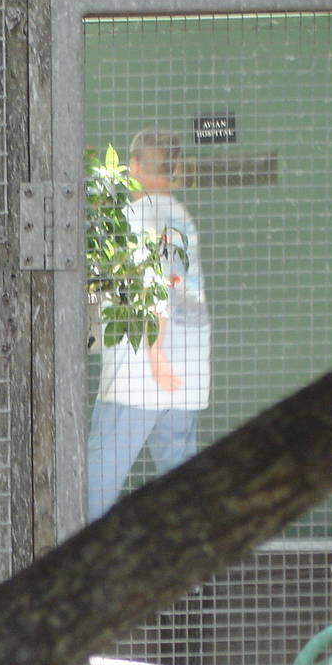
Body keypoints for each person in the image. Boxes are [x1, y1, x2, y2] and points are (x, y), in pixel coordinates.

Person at [86, 128, 210, 521]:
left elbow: (154, 284)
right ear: (172, 170)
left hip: (140, 373)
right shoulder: (179, 217)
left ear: (134, 166)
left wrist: (155, 355)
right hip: (186, 373)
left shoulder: (134, 218)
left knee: (99, 471)